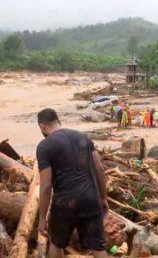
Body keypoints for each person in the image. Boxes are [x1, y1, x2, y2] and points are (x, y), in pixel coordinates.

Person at [36, 109, 108, 258]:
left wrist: (42, 218)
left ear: (42, 127)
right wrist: (103, 197)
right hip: (91, 200)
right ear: (58, 121)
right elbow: (100, 169)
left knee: (56, 244)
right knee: (98, 248)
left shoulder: (44, 146)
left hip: (65, 204)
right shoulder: (84, 137)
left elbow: (46, 186)